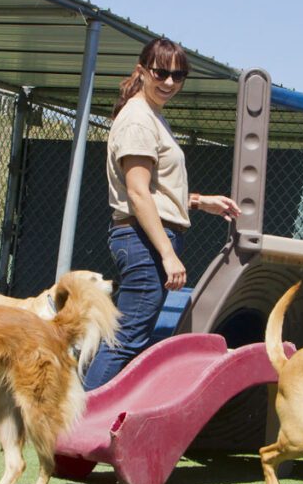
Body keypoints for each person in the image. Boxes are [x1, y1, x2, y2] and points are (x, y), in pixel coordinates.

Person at [83, 38, 240, 391]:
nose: (169, 82)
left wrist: (200, 202)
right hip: (143, 242)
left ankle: (89, 426)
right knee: (126, 342)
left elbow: (154, 191)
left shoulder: (151, 115)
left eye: (178, 75)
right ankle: (77, 431)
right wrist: (167, 255)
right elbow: (138, 194)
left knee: (128, 339)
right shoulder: (139, 119)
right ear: (142, 71)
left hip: (146, 238)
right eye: (161, 72)